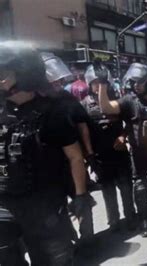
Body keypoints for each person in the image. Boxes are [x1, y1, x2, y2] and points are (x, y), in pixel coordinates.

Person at [0, 41, 92, 265]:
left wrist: (80, 195)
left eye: (3, 72)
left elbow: (74, 157)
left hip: (44, 205)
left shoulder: (53, 112)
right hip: (5, 203)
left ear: (24, 73)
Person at [98, 63, 147, 237]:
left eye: (140, 82)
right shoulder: (129, 100)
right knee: (140, 187)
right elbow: (106, 107)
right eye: (134, 82)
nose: (136, 85)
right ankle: (143, 218)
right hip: (138, 153)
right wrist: (102, 84)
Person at [41, 52, 97, 240]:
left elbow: (82, 125)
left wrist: (88, 154)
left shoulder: (66, 98)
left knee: (81, 198)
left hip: (73, 158)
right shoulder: (32, 103)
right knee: (57, 206)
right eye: (53, 81)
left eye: (58, 80)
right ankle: (69, 238)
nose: (57, 83)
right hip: (48, 164)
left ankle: (87, 238)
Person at [82, 64, 136, 231]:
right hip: (101, 156)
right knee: (108, 191)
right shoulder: (85, 104)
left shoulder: (117, 99)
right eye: (94, 82)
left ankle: (131, 217)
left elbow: (131, 122)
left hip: (119, 153)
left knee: (126, 187)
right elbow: (83, 133)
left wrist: (123, 136)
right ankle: (113, 221)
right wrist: (89, 156)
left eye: (101, 82)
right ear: (89, 84)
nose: (98, 86)